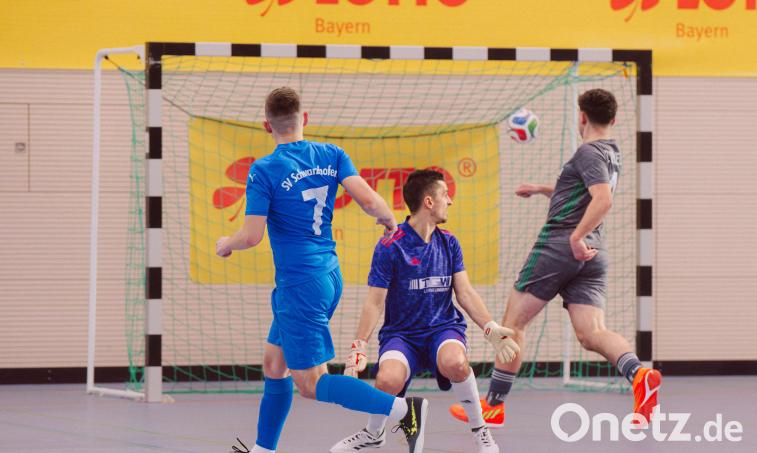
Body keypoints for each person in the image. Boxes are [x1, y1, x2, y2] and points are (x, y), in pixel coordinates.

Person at [218, 87, 429, 453]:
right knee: (274, 362)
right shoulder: (331, 154)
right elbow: (368, 199)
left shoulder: (265, 169)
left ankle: (403, 409)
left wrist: (227, 243)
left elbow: (251, 236)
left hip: (300, 284)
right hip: (327, 276)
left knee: (311, 383)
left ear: (267, 126)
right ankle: (263, 449)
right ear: (306, 119)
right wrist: (389, 219)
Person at [450, 88, 661, 429]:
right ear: (613, 119)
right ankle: (639, 376)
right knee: (591, 332)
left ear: (582, 117)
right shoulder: (611, 153)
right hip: (594, 253)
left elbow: (602, 200)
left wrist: (575, 237)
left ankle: (494, 406)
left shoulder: (588, 151)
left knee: (512, 324)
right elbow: (582, 191)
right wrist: (542, 189)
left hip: (561, 245)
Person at [330, 169, 520, 453]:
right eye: (445, 195)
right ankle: (373, 433)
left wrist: (489, 327)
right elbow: (374, 301)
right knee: (386, 380)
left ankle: (480, 431)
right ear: (429, 202)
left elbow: (465, 293)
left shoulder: (449, 242)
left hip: (442, 329)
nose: (450, 201)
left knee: (456, 362)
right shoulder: (389, 246)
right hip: (402, 334)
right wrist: (359, 345)